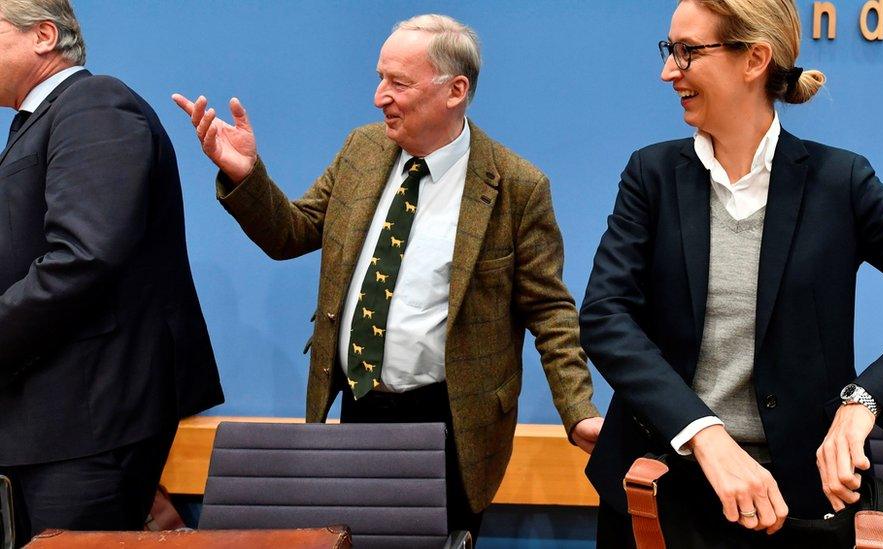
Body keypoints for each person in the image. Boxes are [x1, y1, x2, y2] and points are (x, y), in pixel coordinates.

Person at [173, 13, 602, 540]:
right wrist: (245, 175)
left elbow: (549, 310)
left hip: (452, 421)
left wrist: (578, 409)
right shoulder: (363, 150)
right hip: (359, 407)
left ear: (455, 90)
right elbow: (293, 233)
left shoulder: (515, 186)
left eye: (398, 83)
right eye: (380, 78)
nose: (380, 96)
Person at [579, 0, 883, 547]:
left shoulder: (841, 183)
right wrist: (704, 433)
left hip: (797, 509)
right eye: (670, 50)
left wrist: (865, 402)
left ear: (755, 59)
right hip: (662, 501)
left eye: (687, 51)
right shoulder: (651, 175)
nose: (668, 71)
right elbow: (604, 316)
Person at [0, 1, 224, 545]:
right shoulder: (41, 121)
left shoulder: (94, 104)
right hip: (55, 422)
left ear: (44, 35)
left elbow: (85, 256)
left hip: (86, 419)